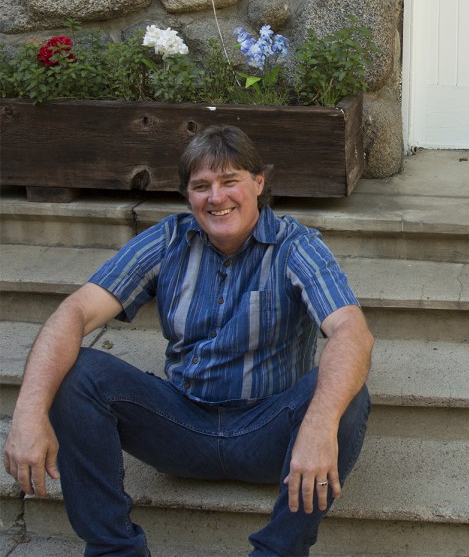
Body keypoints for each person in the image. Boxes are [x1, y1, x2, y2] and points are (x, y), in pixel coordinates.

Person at [2, 125, 374, 557]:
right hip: (179, 426)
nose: (216, 197)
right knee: (77, 372)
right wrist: (28, 413)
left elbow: (352, 332)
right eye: (201, 186)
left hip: (268, 433)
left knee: (345, 393)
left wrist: (318, 424)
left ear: (258, 183)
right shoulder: (168, 239)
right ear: (187, 196)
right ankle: (113, 550)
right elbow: (76, 312)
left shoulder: (296, 246)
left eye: (230, 181)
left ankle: (278, 551)